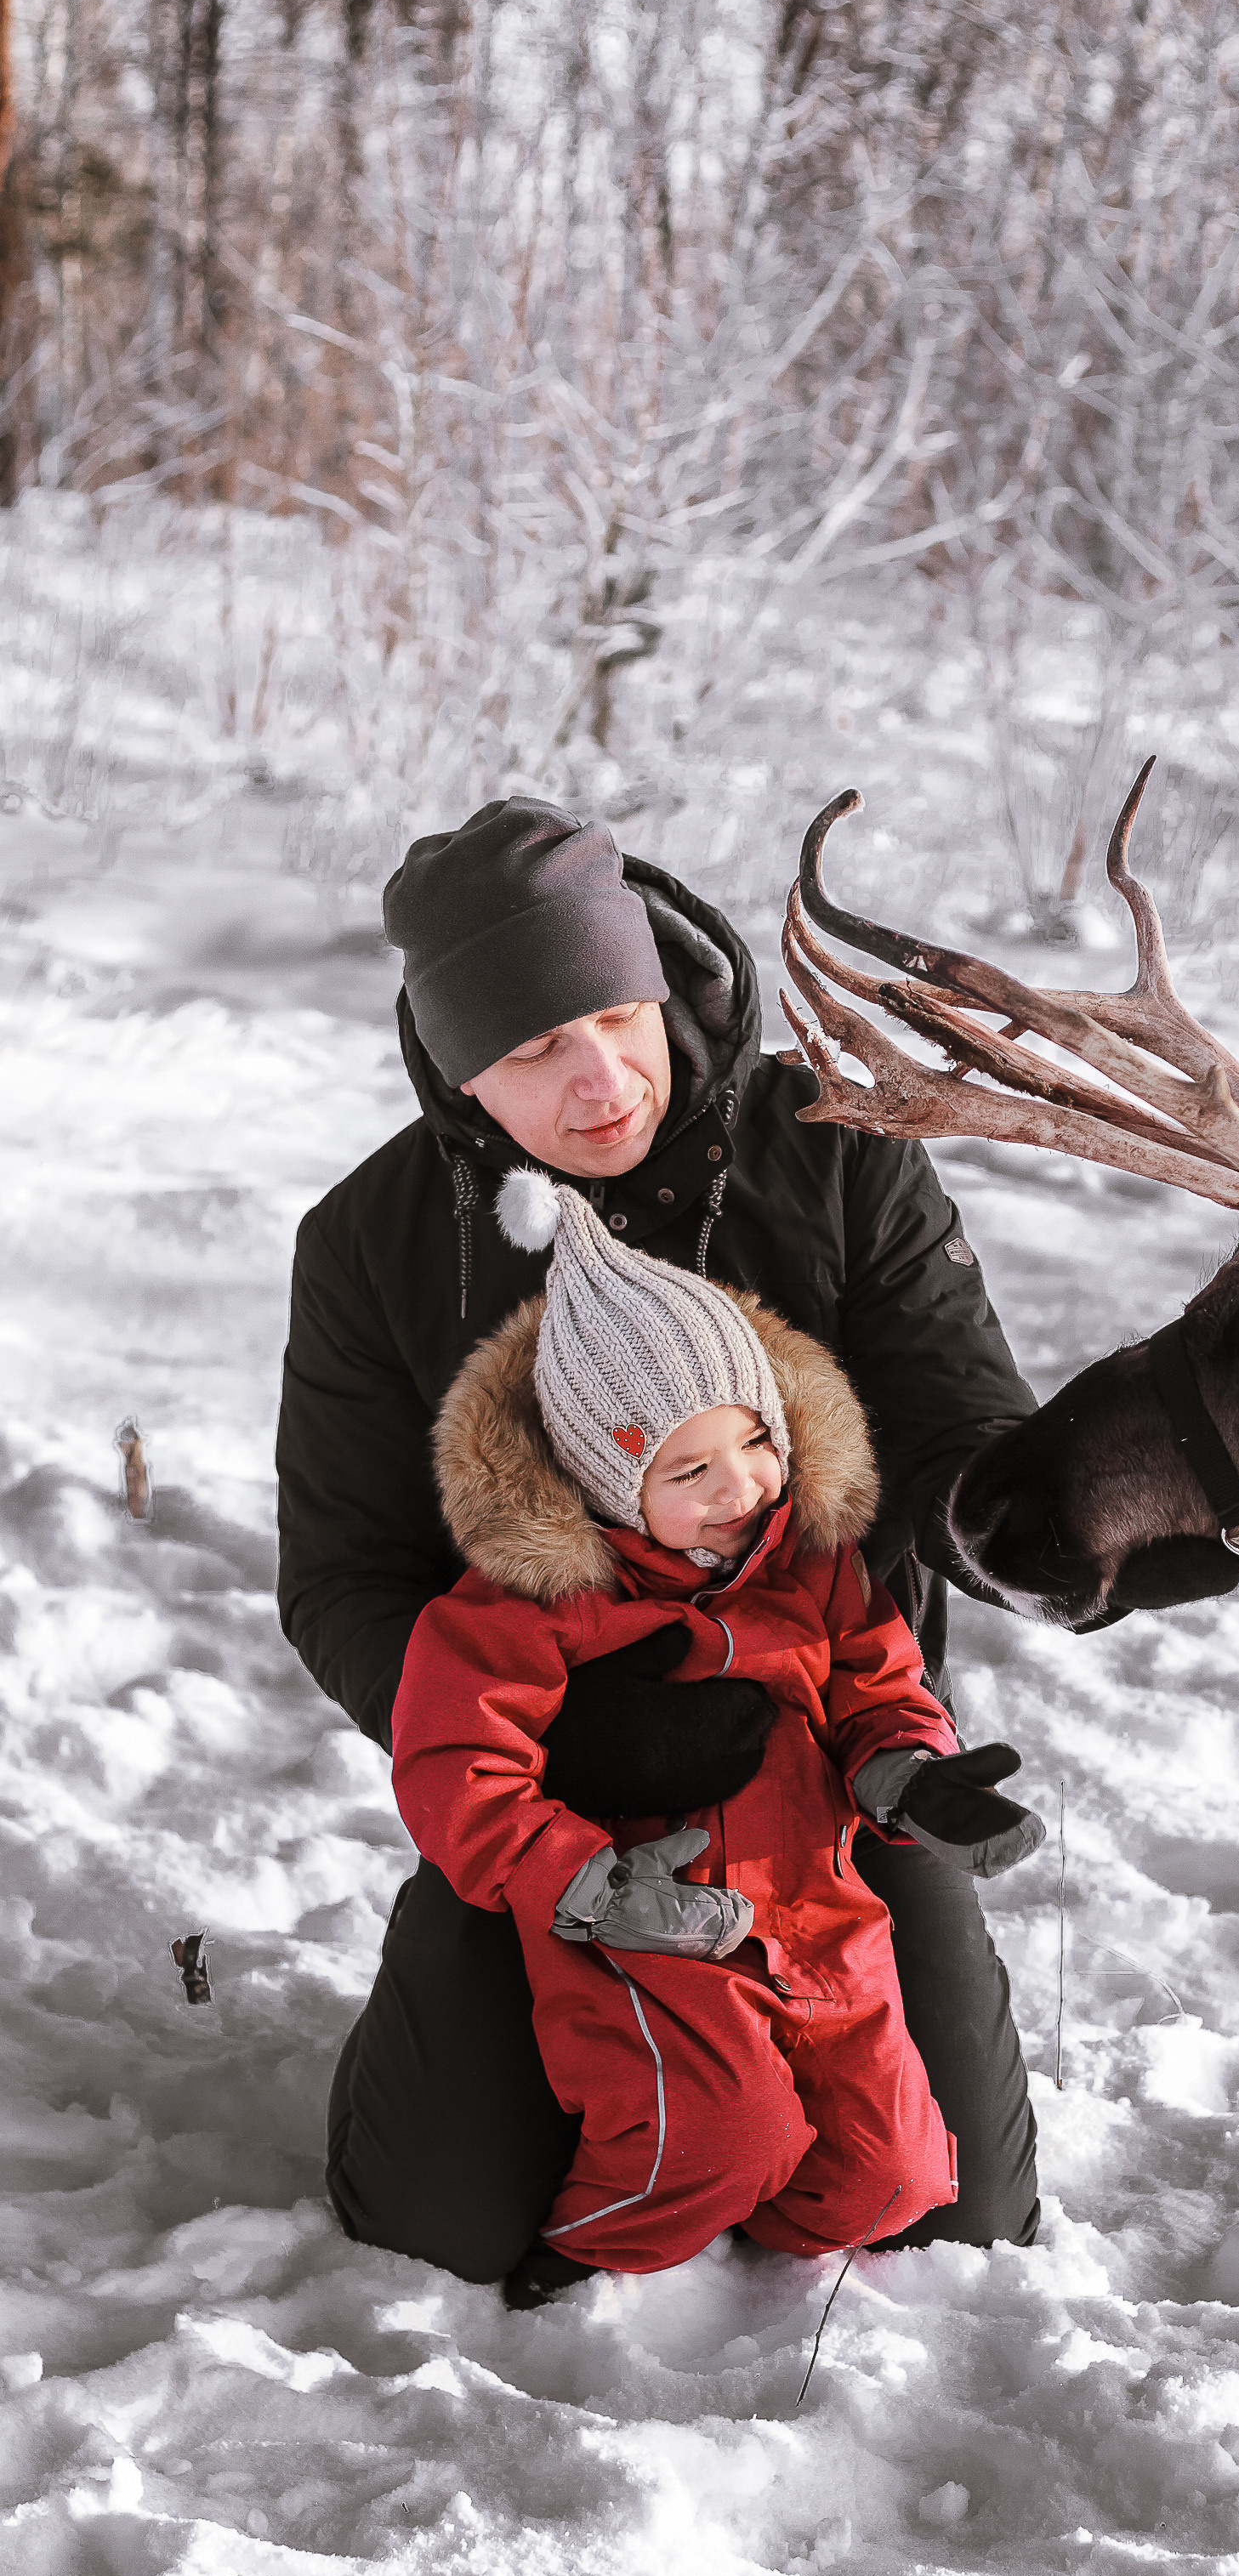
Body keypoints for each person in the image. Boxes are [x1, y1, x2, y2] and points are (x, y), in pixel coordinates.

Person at [283, 797, 1045, 2280]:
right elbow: (341, 1579)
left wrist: (1058, 1527)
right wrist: (550, 1753)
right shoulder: (368, 1240)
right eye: (530, 1053)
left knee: (958, 2220)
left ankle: (755, 2115)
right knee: (438, 2232)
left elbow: (963, 1436)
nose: (598, 1082)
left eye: (618, 1017)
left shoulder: (834, 1154)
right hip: (549, 1797)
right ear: (453, 1063)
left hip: (836, 1777)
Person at [395, 1171, 1044, 2303]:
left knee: (894, 2176)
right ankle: (610, 2244)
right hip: (648, 1921)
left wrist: (911, 1774)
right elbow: (458, 1768)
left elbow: (872, 1684)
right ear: (606, 1481)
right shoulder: (523, 1606)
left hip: (819, 1907)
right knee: (713, 2134)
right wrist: (585, 1881)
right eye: (689, 1471)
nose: (743, 1484)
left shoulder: (811, 1559)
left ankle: (756, 2225)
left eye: (754, 1441)